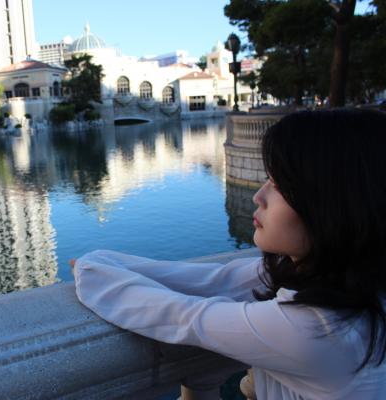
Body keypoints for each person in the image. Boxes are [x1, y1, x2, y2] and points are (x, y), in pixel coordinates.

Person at [71, 109, 386, 399]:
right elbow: (214, 279)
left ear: (336, 206)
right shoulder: (345, 278)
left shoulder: (317, 330)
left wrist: (90, 269)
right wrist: (106, 263)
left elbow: (183, 317)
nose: (259, 196)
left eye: (280, 185)